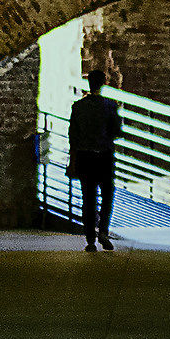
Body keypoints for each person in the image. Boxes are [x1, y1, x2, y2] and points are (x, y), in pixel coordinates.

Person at [67, 69, 122, 251]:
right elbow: (117, 132)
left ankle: (90, 238)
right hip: (104, 156)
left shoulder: (78, 107)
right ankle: (103, 231)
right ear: (103, 83)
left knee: (88, 198)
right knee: (107, 196)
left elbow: (72, 136)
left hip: (84, 156)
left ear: (88, 83)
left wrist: (72, 160)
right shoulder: (110, 105)